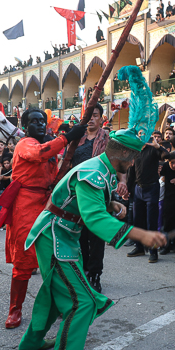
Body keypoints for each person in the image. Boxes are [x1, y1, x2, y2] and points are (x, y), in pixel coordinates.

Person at [17, 66, 167, 350]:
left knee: (56, 291)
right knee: (81, 303)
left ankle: (31, 342)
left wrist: (113, 204)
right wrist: (140, 235)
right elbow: (95, 219)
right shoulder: (95, 173)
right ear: (123, 154)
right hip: (55, 236)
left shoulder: (103, 169)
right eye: (133, 157)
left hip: (62, 235)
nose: (134, 164)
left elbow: (94, 205)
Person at [0, 109, 87, 329]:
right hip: (25, 205)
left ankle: (59, 305)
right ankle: (15, 310)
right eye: (33, 121)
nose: (38, 124)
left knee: (55, 256)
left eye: (41, 121)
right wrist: (67, 137)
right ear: (25, 126)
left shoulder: (47, 144)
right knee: (23, 260)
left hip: (47, 203)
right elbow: (39, 154)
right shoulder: (25, 144)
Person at [68, 103, 122, 292]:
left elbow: (118, 162)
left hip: (100, 192)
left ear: (101, 118)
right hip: (77, 192)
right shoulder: (77, 137)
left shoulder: (108, 139)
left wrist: (122, 182)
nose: (91, 118)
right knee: (80, 235)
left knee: (97, 236)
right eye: (88, 115)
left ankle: (95, 274)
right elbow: (66, 161)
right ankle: (84, 271)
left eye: (95, 115)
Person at [126, 133, 165, 262]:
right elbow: (131, 172)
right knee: (137, 220)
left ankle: (153, 251)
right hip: (138, 189)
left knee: (151, 222)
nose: (141, 136)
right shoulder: (135, 150)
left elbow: (166, 156)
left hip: (152, 189)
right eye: (139, 134)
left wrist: (158, 146)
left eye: (144, 133)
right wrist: (128, 189)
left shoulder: (153, 149)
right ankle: (139, 248)